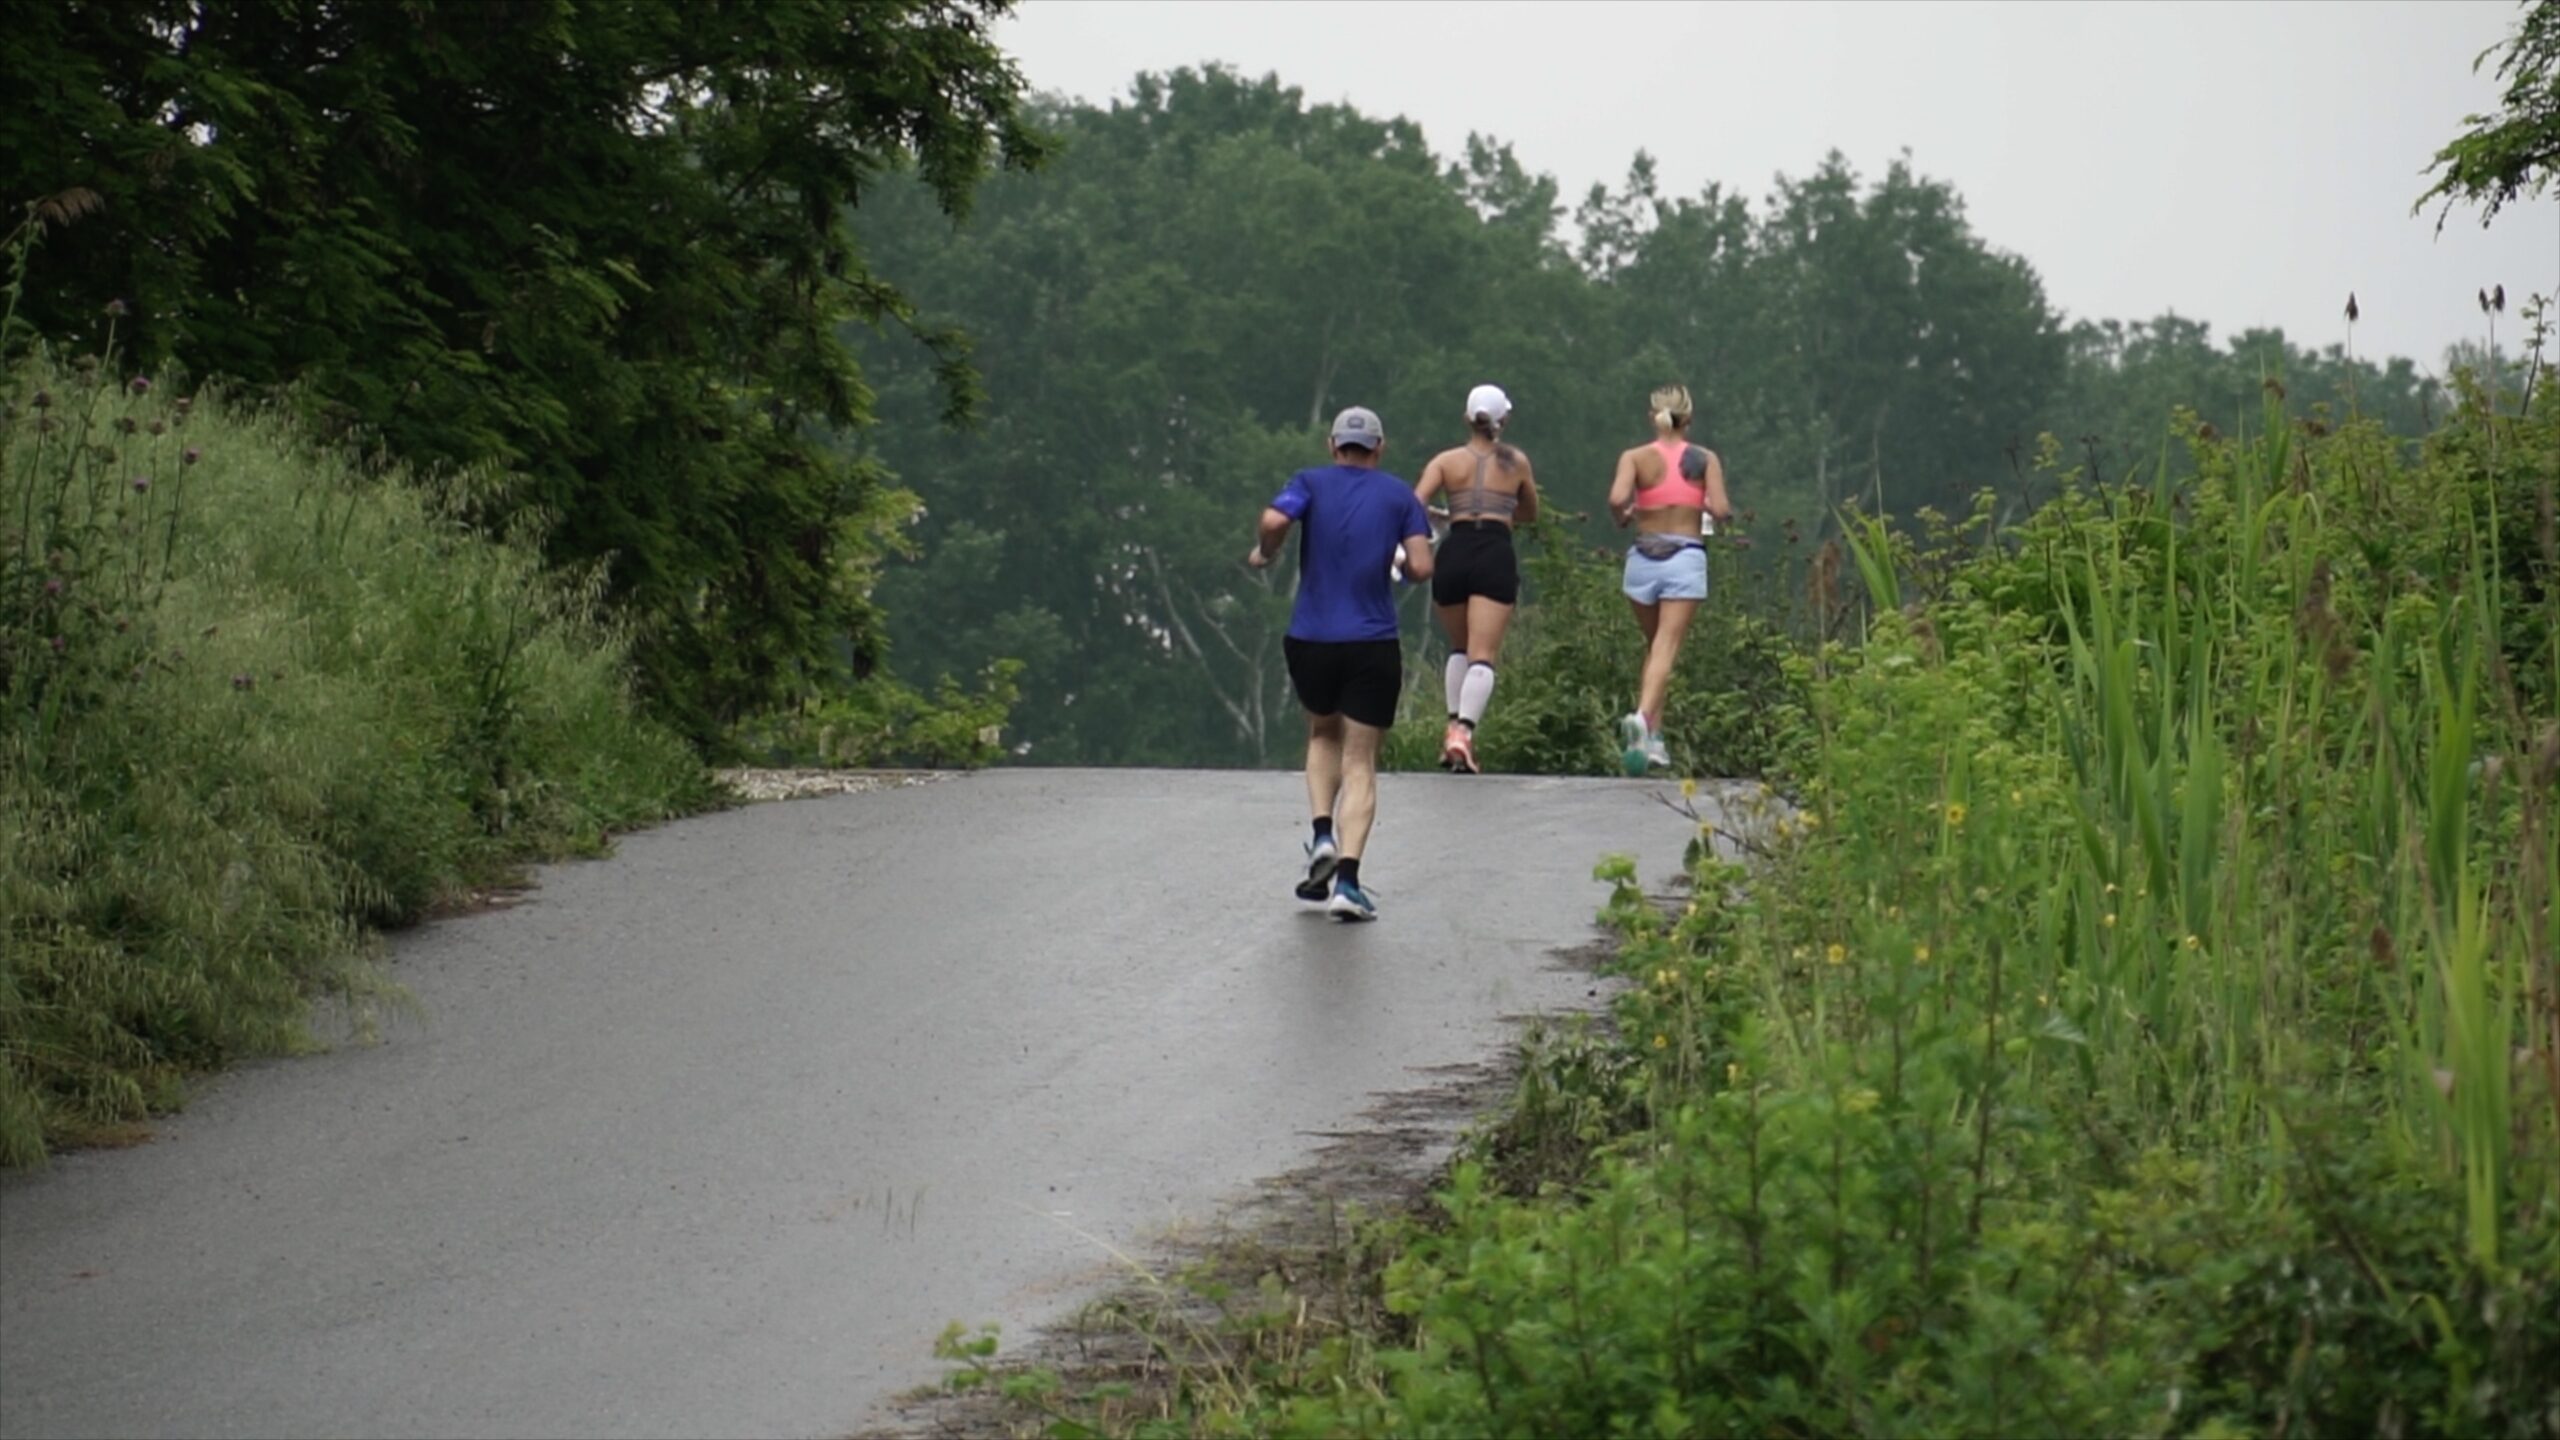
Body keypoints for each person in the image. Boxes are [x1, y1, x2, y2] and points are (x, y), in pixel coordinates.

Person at [1247, 405, 1436, 921]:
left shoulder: (1308, 482)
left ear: (1334, 446)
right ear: (1379, 448)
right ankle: (1348, 884)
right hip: (1371, 641)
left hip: (1310, 638)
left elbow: (1273, 519)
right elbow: (1421, 566)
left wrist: (1267, 551)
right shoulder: (1399, 495)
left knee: (1321, 735)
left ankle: (1321, 833)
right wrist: (1399, 563)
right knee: (1360, 759)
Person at [1410, 383, 1538, 774]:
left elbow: (1413, 504)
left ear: (1467, 418)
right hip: (1493, 552)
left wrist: (1445, 516)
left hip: (1455, 551)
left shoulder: (1446, 462)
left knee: (1460, 647)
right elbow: (1530, 512)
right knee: (1484, 653)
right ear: (1504, 420)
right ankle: (1464, 731)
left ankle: (1453, 724)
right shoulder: (1515, 462)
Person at [1606, 382, 1731, 773]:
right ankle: (1642, 719)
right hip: (1684, 556)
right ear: (1688, 418)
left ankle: (1654, 739)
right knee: (1667, 645)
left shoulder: (1635, 458)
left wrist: (1625, 515)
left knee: (1655, 646)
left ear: (1653, 418)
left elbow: (1616, 499)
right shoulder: (1704, 459)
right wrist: (1704, 504)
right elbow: (1723, 510)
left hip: (1643, 556)